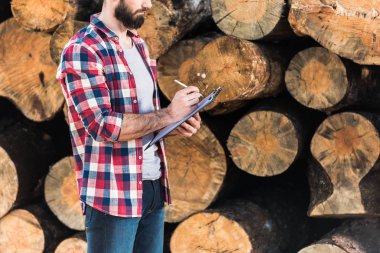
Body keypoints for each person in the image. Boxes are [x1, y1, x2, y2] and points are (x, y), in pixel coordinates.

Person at [56, 0, 202, 252]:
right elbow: (101, 125)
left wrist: (172, 124)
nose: (148, 4)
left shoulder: (139, 45)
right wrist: (167, 115)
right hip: (113, 194)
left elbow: (144, 115)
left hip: (153, 185)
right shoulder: (83, 49)